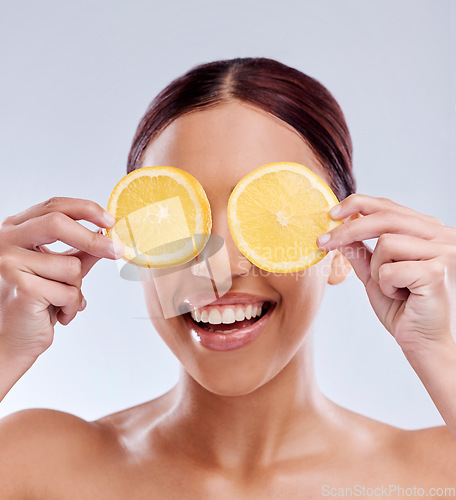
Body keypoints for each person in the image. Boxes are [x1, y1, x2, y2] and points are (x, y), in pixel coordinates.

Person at [0, 57, 455, 498]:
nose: (217, 266)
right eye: (177, 219)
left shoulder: (435, 477)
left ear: (343, 246)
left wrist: (439, 351)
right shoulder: (33, 465)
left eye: (264, 217)